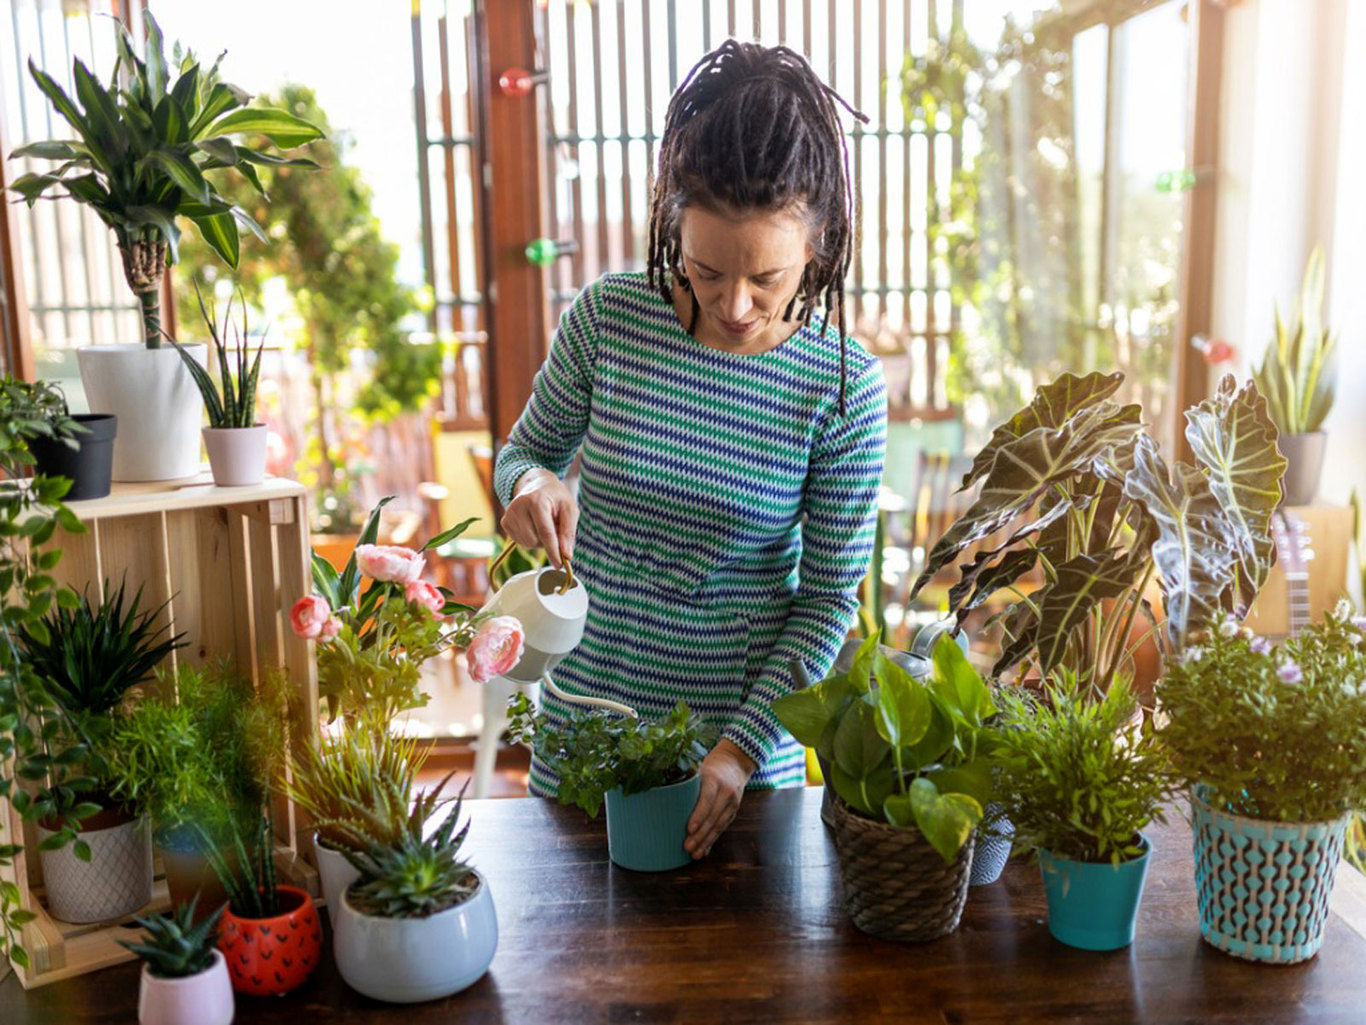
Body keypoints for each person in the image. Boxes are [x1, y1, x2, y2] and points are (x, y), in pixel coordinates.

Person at [495, 40, 886, 859]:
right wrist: (533, 483)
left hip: (733, 769)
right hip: (583, 733)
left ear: (819, 245)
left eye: (766, 279)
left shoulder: (842, 385)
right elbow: (524, 452)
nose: (734, 304)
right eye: (706, 270)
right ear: (673, 225)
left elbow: (825, 604)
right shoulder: (610, 319)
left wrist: (741, 749)